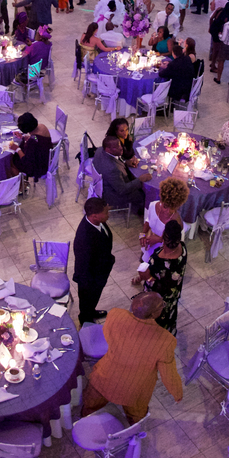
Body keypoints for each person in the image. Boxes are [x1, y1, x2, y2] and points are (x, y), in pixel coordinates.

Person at [81, 292, 183, 424]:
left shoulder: (115, 314)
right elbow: (169, 374)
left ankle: (84, 423)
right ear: (153, 314)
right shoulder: (166, 340)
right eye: (162, 305)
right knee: (136, 417)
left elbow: (107, 335)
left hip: (103, 378)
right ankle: (133, 431)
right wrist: (177, 393)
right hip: (135, 391)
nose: (163, 306)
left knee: (90, 406)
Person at [132, 220, 187, 334]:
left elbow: (162, 289)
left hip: (158, 301)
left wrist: (148, 277)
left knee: (154, 326)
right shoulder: (183, 249)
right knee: (168, 319)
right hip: (173, 297)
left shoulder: (160, 260)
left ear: (163, 234)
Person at [73, 196, 115, 325]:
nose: (108, 214)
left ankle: (91, 311)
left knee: (94, 298)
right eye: (106, 212)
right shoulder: (85, 238)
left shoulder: (97, 222)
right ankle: (85, 320)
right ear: (94, 216)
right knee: (87, 300)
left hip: (99, 273)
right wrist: (94, 281)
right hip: (89, 279)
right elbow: (85, 265)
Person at [94, 135, 151, 215]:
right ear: (108, 149)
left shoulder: (100, 150)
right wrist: (140, 180)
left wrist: (125, 162)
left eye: (120, 145)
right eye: (116, 147)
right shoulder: (112, 169)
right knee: (145, 194)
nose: (121, 148)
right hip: (113, 194)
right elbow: (122, 190)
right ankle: (142, 212)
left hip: (105, 184)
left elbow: (116, 161)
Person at [140, 177, 187, 256]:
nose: (168, 211)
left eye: (172, 208)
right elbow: (148, 220)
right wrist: (143, 234)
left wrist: (158, 240)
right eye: (165, 206)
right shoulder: (153, 205)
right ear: (161, 198)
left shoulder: (176, 222)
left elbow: (173, 244)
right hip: (149, 244)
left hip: (163, 251)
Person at [11, 111, 51, 179]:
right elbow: (37, 138)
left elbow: (25, 160)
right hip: (46, 158)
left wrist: (17, 149)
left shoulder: (32, 142)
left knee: (12, 160)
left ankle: (20, 182)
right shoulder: (42, 126)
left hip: (39, 167)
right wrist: (24, 136)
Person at [157, 38, 194, 103]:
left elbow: (161, 74)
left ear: (173, 54)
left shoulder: (173, 65)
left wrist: (162, 67)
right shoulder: (187, 58)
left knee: (165, 83)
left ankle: (164, 103)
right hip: (189, 87)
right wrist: (169, 63)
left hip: (178, 91)